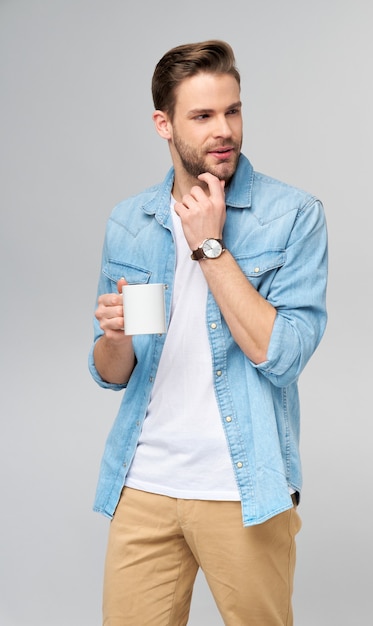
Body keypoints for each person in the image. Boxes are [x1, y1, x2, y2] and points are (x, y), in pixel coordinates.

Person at [89, 40, 328, 626]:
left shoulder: (293, 215)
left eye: (233, 111)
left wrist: (210, 245)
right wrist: (115, 339)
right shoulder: (130, 221)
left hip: (242, 488)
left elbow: (282, 354)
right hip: (143, 485)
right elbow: (110, 372)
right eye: (203, 116)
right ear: (163, 124)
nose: (224, 130)